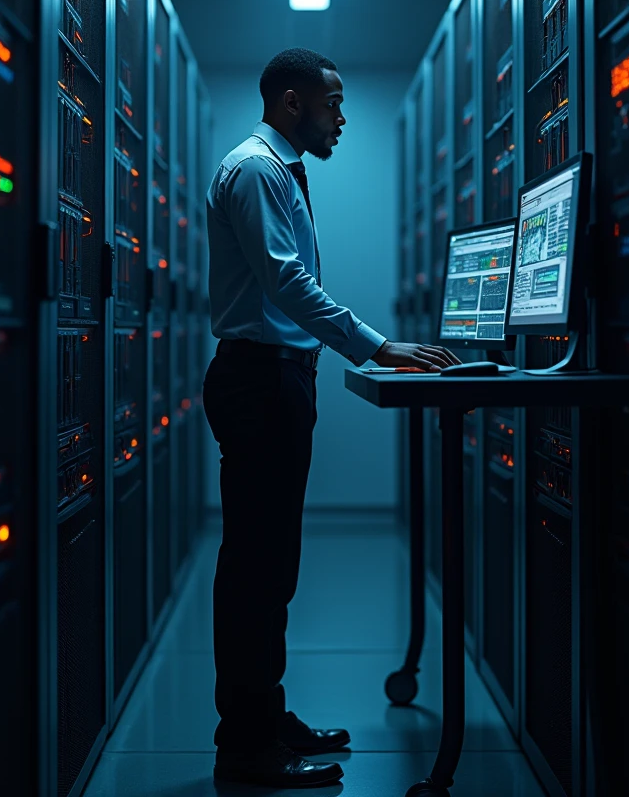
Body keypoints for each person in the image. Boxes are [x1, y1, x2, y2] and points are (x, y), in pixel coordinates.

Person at [204, 48, 459, 788]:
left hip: (278, 380)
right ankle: (246, 748)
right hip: (259, 382)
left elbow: (289, 281)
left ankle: (262, 716)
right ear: (292, 102)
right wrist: (378, 346)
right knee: (256, 569)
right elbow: (286, 282)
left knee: (271, 566)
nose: (341, 119)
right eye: (333, 105)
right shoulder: (255, 169)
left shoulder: (275, 169)